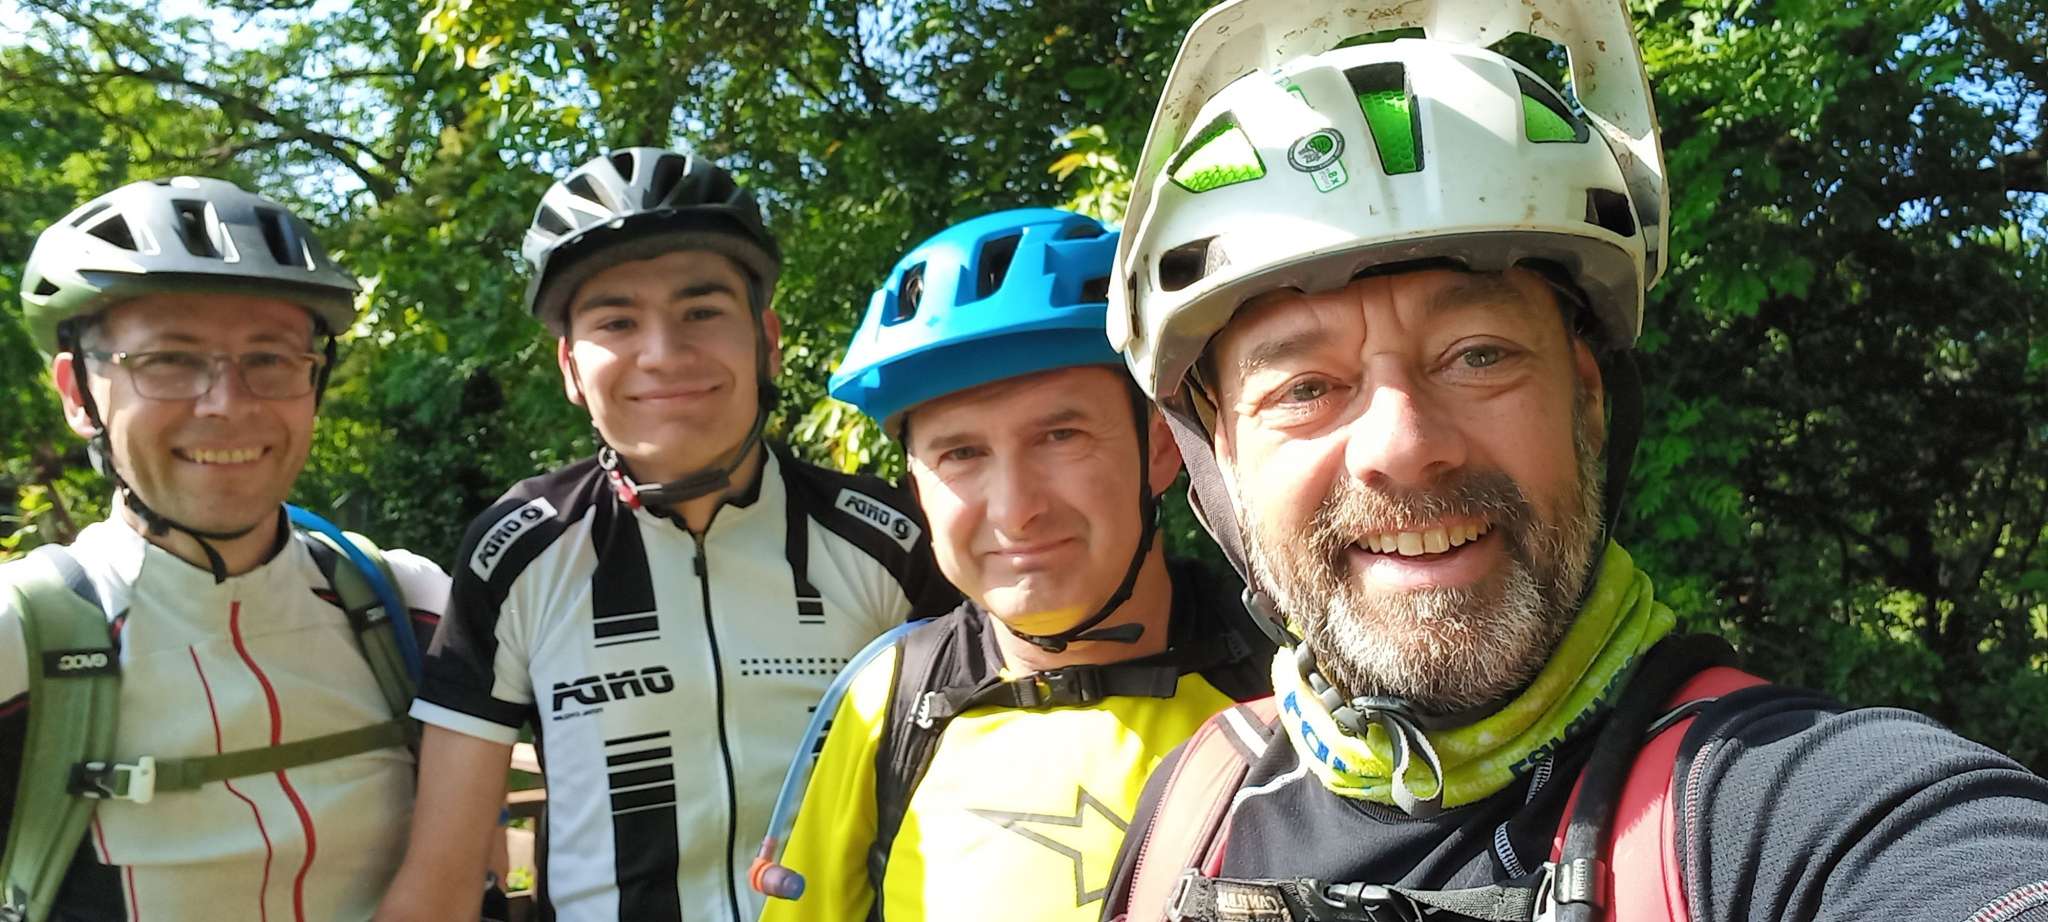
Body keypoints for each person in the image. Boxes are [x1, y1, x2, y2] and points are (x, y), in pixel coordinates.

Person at [1096, 1, 2048, 920]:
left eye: (1478, 356)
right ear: (1224, 454)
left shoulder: (1797, 811)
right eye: (1305, 387)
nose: (1404, 447)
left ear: (1587, 399)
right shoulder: (1196, 809)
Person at [374, 147, 958, 922]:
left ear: (768, 340)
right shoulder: (518, 552)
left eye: (702, 311)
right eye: (617, 321)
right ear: (571, 367)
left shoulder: (887, 537)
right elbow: (440, 880)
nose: (663, 354)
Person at [753, 208, 1271, 922]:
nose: (1016, 510)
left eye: (1061, 436)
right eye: (960, 454)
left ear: (1159, 449)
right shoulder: (888, 701)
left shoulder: (1291, 679)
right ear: (916, 485)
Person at [0, 176, 451, 921]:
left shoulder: (411, 607)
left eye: (270, 360)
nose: (228, 405)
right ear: (78, 392)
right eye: (168, 360)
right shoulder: (21, 639)